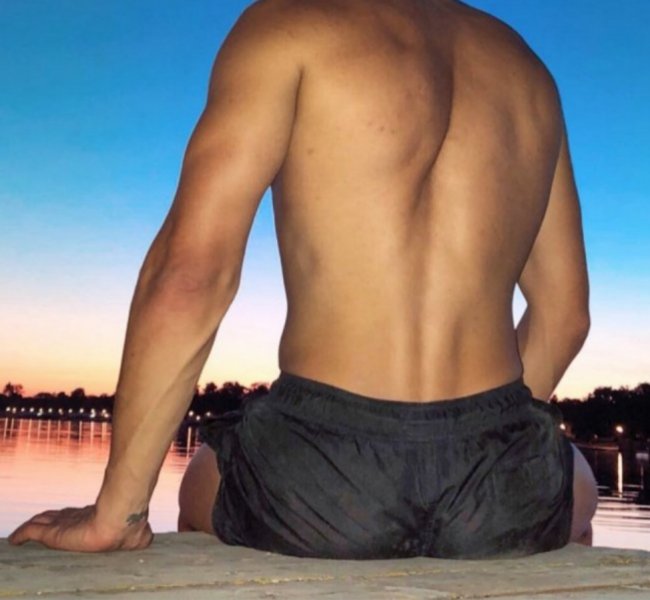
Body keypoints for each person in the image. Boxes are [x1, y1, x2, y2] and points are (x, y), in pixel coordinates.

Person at [8, 0, 598, 557]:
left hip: (318, 476)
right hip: (497, 475)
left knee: (201, 481)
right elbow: (566, 315)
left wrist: (119, 512)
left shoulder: (287, 26)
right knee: (575, 493)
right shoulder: (527, 71)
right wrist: (484, 444)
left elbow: (190, 274)